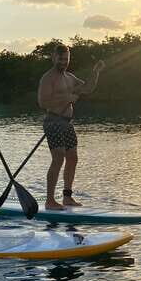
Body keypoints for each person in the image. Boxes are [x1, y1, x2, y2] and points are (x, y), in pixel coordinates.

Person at [37, 44, 105, 210]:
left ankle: (67, 197)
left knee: (72, 157)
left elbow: (87, 89)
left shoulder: (70, 77)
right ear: (54, 58)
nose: (64, 62)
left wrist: (95, 72)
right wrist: (66, 98)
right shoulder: (48, 78)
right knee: (58, 157)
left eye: (66, 59)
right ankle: (50, 200)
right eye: (61, 59)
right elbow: (42, 102)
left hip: (67, 123)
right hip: (53, 121)